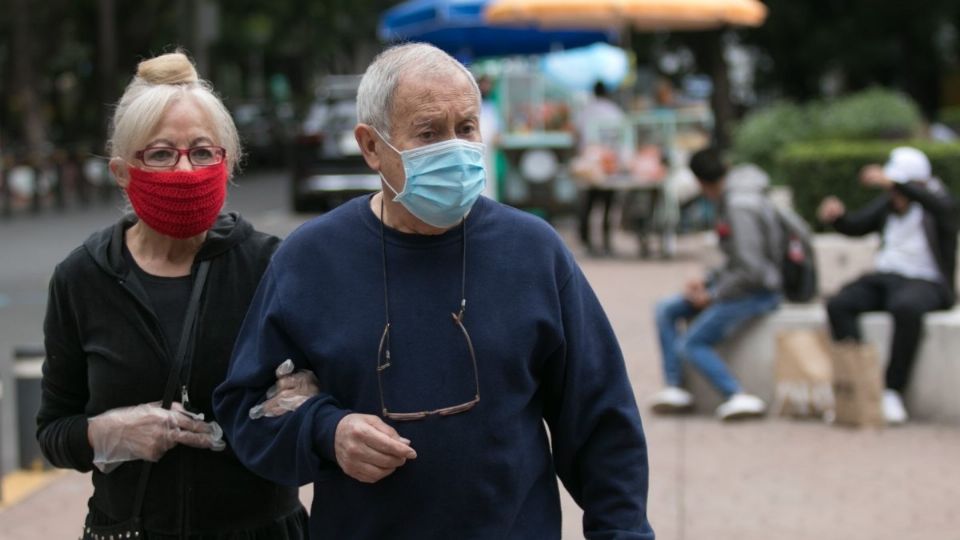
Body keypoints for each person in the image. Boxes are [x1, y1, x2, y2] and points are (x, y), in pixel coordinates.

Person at [213, 43, 654, 539]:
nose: (456, 148)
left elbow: (601, 422)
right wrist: (325, 432)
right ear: (371, 146)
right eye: (428, 132)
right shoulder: (309, 260)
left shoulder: (533, 252)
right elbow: (246, 409)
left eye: (466, 128)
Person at [37, 51, 314, 539]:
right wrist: (110, 433)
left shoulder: (272, 265)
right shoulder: (82, 278)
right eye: (162, 154)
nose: (185, 171)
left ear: (227, 165)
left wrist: (308, 397)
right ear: (123, 171)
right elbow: (54, 431)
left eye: (203, 152)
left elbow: (333, 392)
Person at [817, 146, 958, 424]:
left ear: (916, 184)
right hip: (887, 277)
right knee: (840, 304)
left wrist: (896, 183)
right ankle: (858, 384)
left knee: (905, 308)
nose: (892, 193)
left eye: (897, 186)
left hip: (927, 281)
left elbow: (941, 206)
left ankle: (893, 390)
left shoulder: (938, 204)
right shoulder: (889, 204)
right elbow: (857, 225)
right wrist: (837, 218)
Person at [647, 149, 782, 420]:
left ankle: (737, 394)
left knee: (692, 343)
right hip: (739, 285)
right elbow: (740, 261)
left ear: (700, 183)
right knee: (666, 309)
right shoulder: (734, 196)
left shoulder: (738, 206)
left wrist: (713, 294)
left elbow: (752, 271)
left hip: (757, 292)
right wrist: (708, 280)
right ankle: (674, 387)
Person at [576, 80, 626, 256]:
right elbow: (622, 137)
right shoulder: (615, 111)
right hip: (610, 165)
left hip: (591, 166)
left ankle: (588, 241)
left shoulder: (586, 111)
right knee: (608, 204)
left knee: (589, 204)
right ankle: (606, 242)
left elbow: (577, 133)